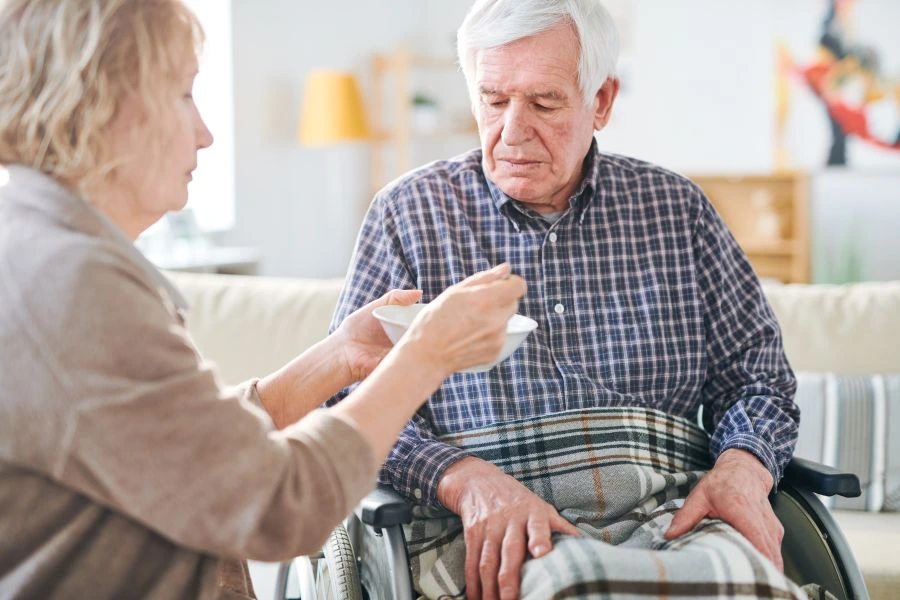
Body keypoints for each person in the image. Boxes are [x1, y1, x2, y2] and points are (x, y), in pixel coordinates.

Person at [0, 1, 526, 598]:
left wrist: (338, 357)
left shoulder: (42, 251)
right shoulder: (71, 284)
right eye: (183, 94)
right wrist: (425, 356)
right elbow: (276, 504)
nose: (206, 133)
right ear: (105, 102)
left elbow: (183, 449)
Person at [329, 1, 805, 598]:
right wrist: (464, 480)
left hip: (674, 516)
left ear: (601, 101)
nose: (511, 131)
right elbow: (351, 406)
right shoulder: (408, 214)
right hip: (490, 525)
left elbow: (758, 379)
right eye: (493, 100)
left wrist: (742, 468)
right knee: (577, 587)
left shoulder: (678, 211)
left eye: (544, 103)